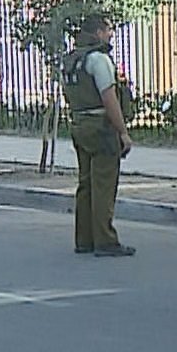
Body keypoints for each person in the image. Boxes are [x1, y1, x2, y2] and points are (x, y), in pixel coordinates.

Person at [59, 13, 135, 258]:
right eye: (108, 29)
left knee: (86, 183)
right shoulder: (99, 60)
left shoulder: (71, 61)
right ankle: (105, 240)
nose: (111, 34)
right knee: (103, 183)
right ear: (98, 33)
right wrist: (122, 131)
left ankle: (84, 238)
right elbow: (109, 97)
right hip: (100, 126)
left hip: (79, 124)